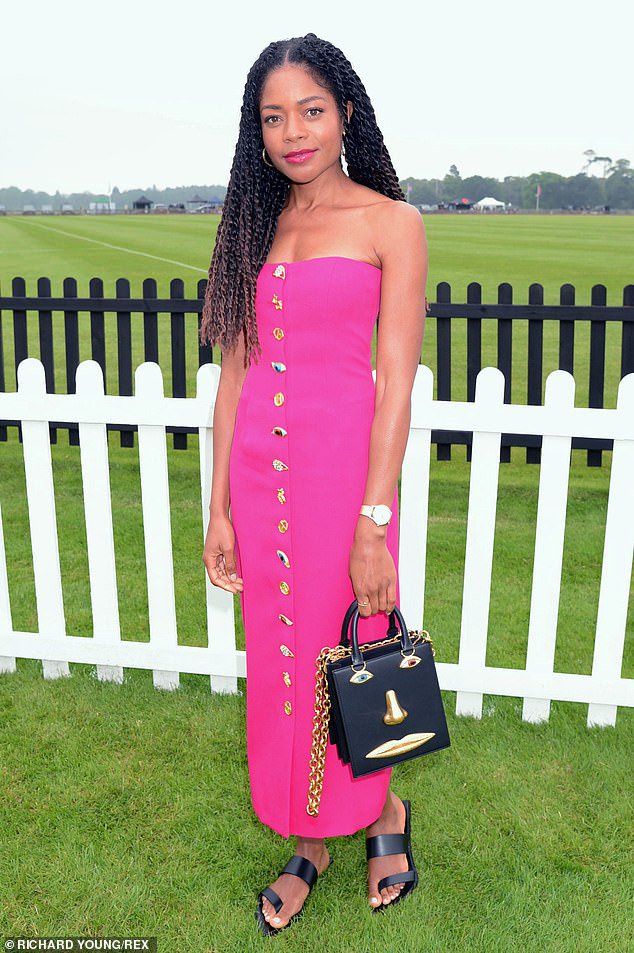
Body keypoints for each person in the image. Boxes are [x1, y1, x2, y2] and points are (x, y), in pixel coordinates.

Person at [200, 32, 428, 934]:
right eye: (271, 116)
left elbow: (398, 379)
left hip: (346, 483)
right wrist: (218, 506)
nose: (291, 131)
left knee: (351, 649)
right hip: (260, 482)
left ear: (345, 116)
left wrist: (375, 518)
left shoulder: (390, 223)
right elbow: (232, 381)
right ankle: (312, 834)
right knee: (283, 663)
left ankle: (383, 812)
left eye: (310, 110)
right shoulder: (254, 226)